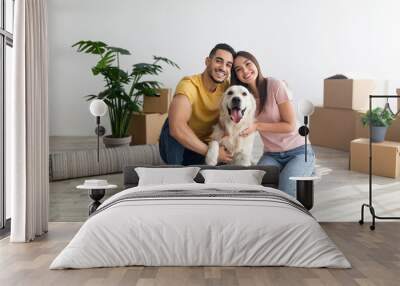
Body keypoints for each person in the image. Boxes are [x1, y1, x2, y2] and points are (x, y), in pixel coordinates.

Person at [232, 51, 315, 197]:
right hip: (271, 155)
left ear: (255, 63)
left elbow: (290, 125)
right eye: (238, 69)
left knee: (285, 190)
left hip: (299, 151)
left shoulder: (274, 85)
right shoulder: (242, 98)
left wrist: (257, 126)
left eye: (247, 64)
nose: (245, 71)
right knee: (254, 187)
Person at [159, 43, 236, 165]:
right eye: (219, 61)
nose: (223, 67)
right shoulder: (189, 85)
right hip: (180, 147)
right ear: (207, 61)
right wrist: (211, 153)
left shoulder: (228, 89)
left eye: (228, 65)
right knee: (172, 122)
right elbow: (176, 129)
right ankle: (175, 173)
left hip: (202, 149)